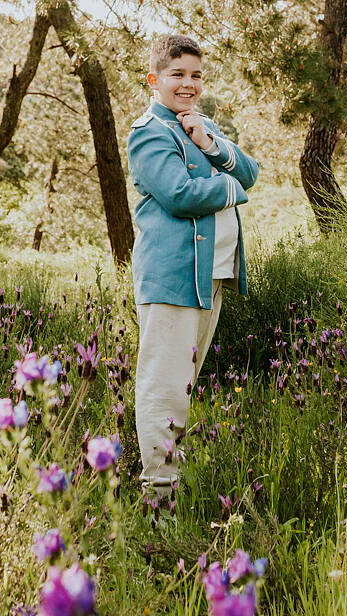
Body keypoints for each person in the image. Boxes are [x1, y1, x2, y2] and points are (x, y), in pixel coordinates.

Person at [128, 34, 260, 500]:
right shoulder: (149, 133)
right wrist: (230, 189)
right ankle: (158, 502)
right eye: (177, 75)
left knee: (182, 390)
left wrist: (208, 141)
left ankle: (168, 494)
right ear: (155, 79)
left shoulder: (198, 126)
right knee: (163, 391)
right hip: (172, 278)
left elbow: (252, 169)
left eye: (196, 75)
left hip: (209, 279)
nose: (188, 84)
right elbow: (180, 196)